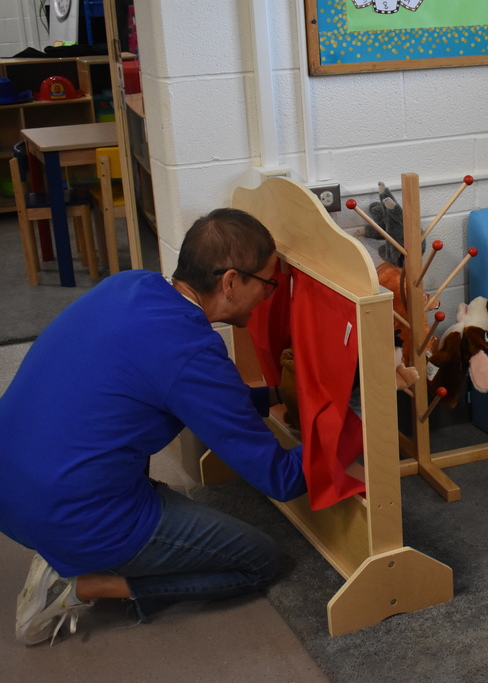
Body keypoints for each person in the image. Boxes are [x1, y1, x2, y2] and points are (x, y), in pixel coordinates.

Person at [0, 208, 307, 646]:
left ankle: (72, 546)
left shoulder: (128, 285)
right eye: (267, 283)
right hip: (70, 513)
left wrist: (278, 394)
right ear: (231, 282)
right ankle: (81, 583)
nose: (267, 296)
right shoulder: (192, 353)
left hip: (14, 485)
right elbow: (281, 478)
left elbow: (200, 400)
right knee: (261, 561)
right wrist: (354, 430)